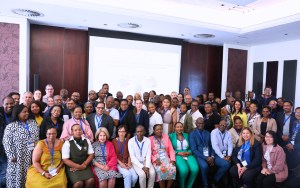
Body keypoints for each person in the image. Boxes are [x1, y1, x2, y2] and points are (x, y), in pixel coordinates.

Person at [3, 105, 39, 188]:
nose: (27, 113)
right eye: (24, 112)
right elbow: (7, 142)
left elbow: (38, 138)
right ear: (18, 113)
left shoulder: (32, 122)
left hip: (32, 155)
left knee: (31, 176)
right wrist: (12, 156)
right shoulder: (11, 126)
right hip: (18, 157)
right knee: (18, 177)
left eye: (27, 111)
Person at [189, 118, 230, 188]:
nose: (201, 125)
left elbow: (212, 146)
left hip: (210, 155)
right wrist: (206, 158)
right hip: (200, 156)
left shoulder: (207, 132)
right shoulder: (192, 134)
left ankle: (213, 180)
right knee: (204, 166)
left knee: (226, 164)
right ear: (196, 124)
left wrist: (212, 156)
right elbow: (194, 150)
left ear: (204, 124)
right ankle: (205, 184)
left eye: (202, 123)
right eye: (199, 123)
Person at [169, 122, 199, 188]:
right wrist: (177, 152)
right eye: (177, 127)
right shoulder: (171, 136)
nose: (179, 128)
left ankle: (189, 185)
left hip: (187, 153)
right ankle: (182, 186)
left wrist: (189, 152)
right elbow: (170, 148)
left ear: (183, 127)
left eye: (181, 127)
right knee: (184, 170)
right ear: (174, 128)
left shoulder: (187, 135)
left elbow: (192, 146)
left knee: (195, 169)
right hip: (177, 154)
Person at [0, 96, 14, 187]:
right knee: (3, 175)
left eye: (11, 103)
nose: (9, 105)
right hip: (1, 150)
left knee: (7, 175)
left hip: (11, 151)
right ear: (3, 104)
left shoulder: (17, 115)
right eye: (7, 104)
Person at [285, 107, 300, 172]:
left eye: (299, 112)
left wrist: (294, 146)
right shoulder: (295, 122)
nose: (298, 114)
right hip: (292, 148)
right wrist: (289, 144)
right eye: (296, 112)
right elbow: (291, 135)